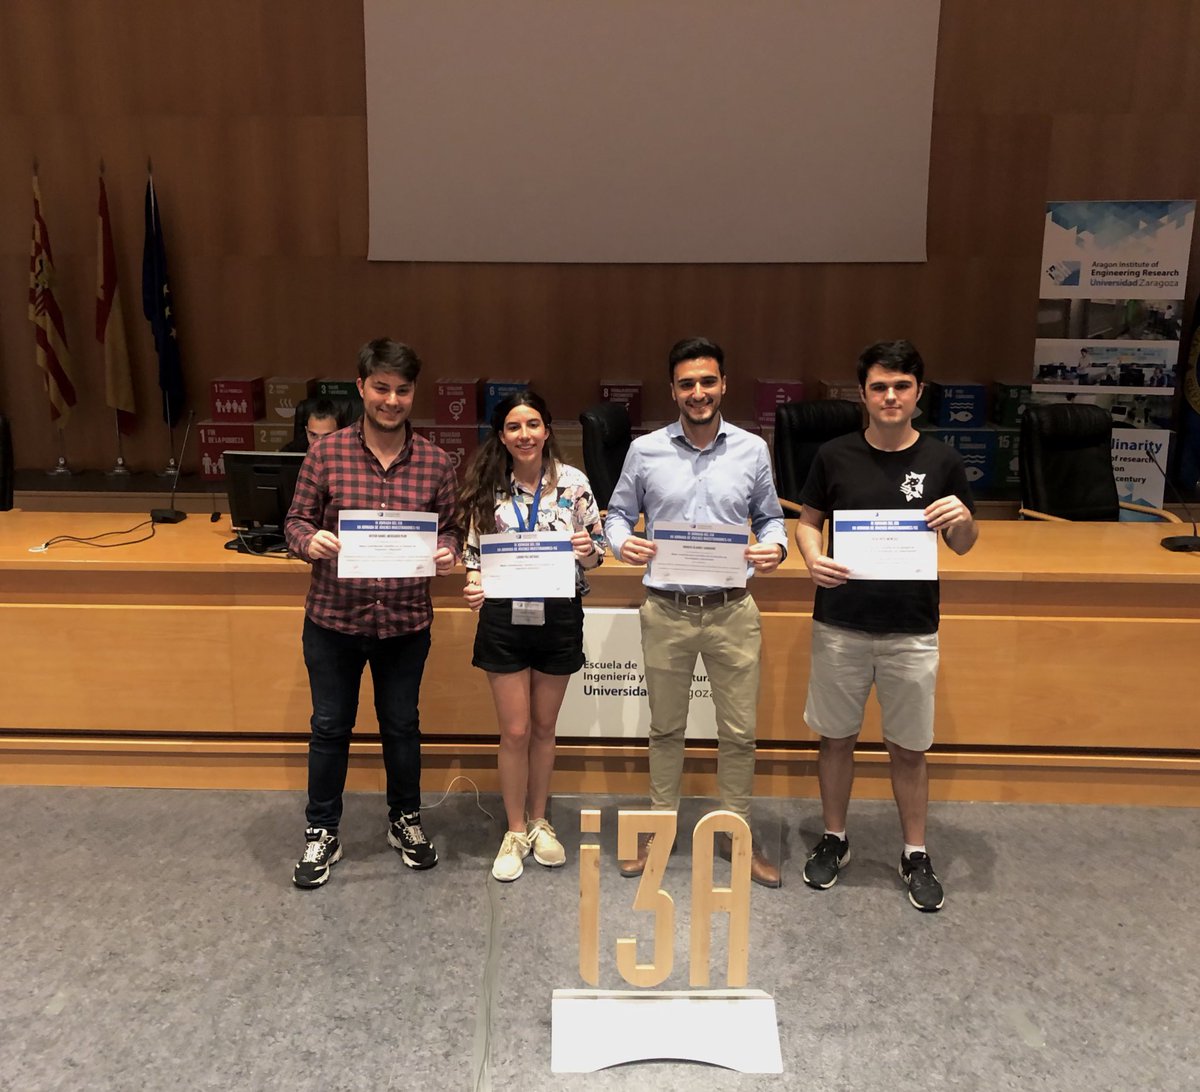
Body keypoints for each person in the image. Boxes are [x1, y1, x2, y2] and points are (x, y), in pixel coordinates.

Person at [794, 339, 977, 912]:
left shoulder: (942, 461)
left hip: (911, 629)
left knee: (908, 748)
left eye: (901, 386)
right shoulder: (835, 455)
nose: (890, 396)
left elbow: (964, 546)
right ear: (863, 395)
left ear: (919, 393)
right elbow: (807, 521)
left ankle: (915, 851)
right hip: (841, 624)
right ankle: (835, 838)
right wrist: (810, 554)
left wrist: (965, 519)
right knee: (836, 738)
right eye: (879, 387)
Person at [605, 336, 788, 888]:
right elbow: (616, 515)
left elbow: (771, 518)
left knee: (739, 733)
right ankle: (660, 836)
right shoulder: (645, 451)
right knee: (666, 730)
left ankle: (736, 840)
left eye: (708, 381)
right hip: (667, 609)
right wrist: (622, 543)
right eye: (687, 384)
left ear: (723, 384)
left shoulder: (753, 450)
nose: (698, 392)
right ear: (673, 391)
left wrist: (775, 548)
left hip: (733, 610)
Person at [284, 338, 461, 888]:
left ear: (413, 394)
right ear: (361, 387)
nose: (391, 400)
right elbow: (293, 521)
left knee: (402, 726)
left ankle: (404, 820)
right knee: (330, 727)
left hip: (405, 622)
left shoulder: (436, 461)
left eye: (402, 390)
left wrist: (450, 550)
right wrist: (308, 540)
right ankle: (322, 831)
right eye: (380, 388)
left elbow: (453, 528)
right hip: (334, 619)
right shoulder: (326, 454)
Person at [460, 392, 605, 881]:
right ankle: (515, 829)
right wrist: (475, 582)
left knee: (544, 728)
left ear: (547, 431)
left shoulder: (575, 484)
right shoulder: (486, 485)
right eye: (514, 426)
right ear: (501, 435)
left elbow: (598, 553)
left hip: (559, 615)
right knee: (515, 731)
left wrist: (586, 549)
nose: (525, 434)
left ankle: (541, 821)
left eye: (534, 424)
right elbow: (473, 554)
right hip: (503, 619)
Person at [282, 398, 350, 452]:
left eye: (328, 436)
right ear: (306, 431)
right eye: (313, 435)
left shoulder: (353, 455)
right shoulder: (292, 453)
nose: (318, 444)